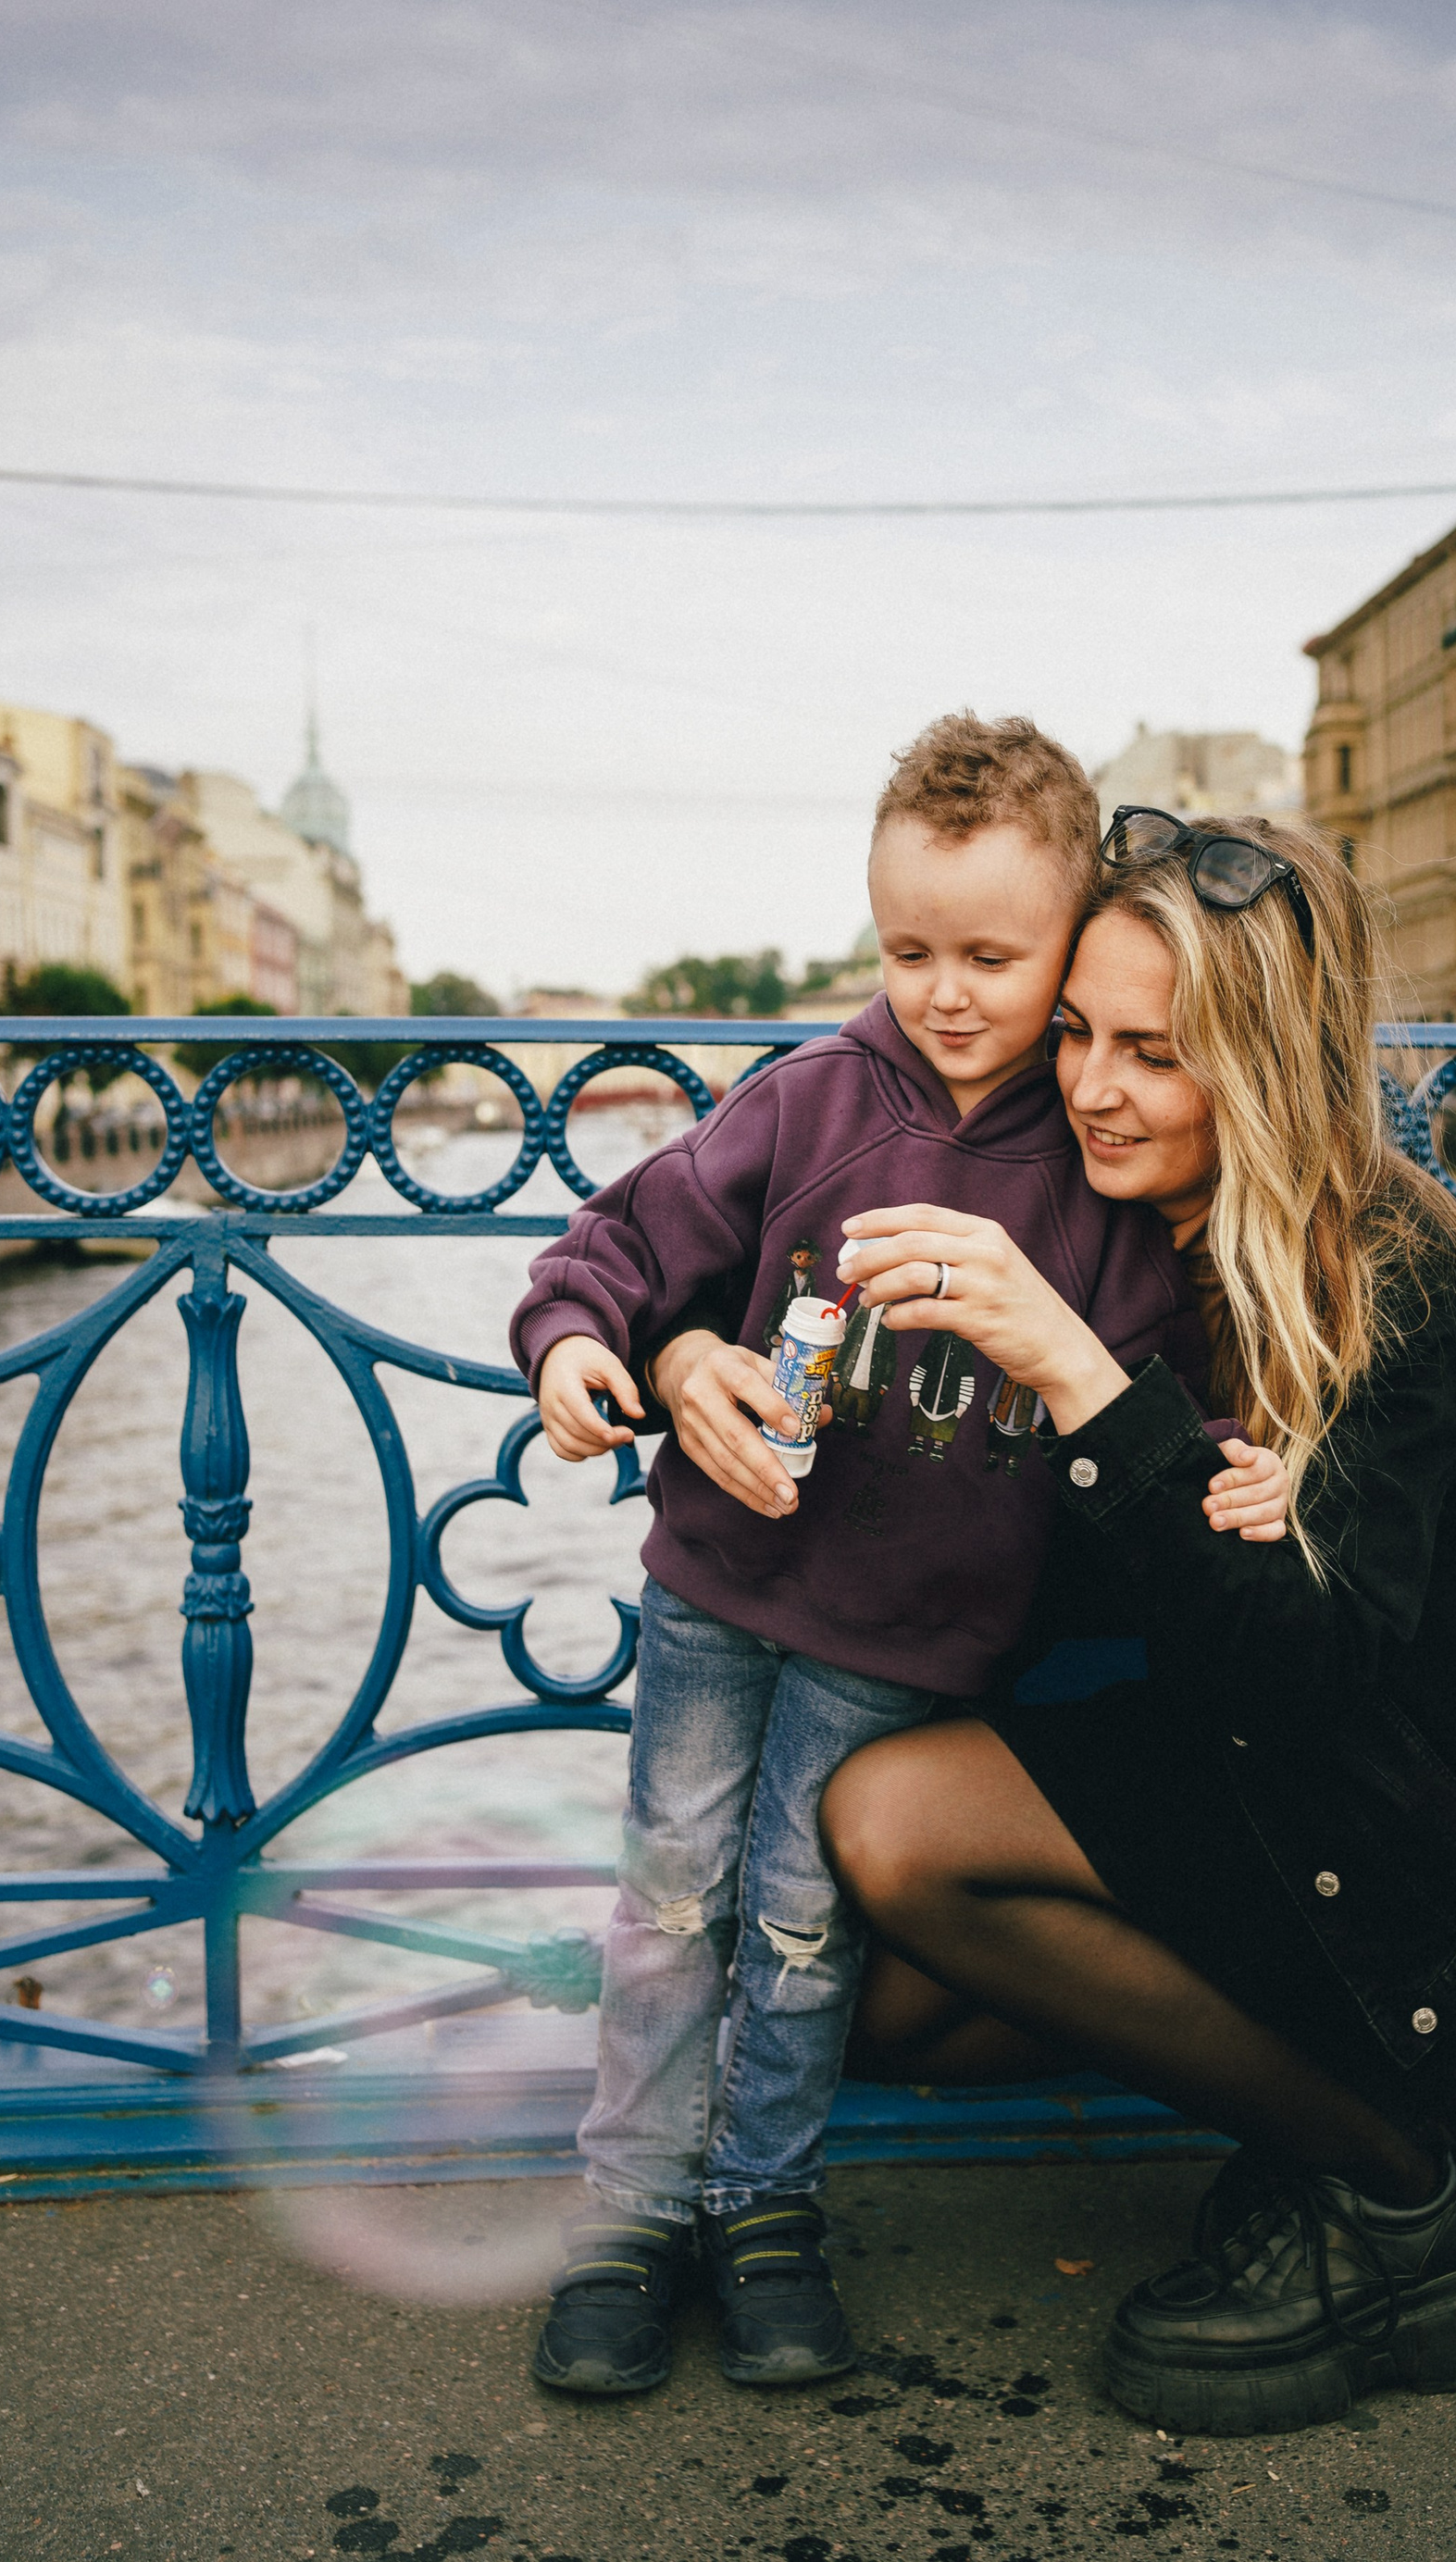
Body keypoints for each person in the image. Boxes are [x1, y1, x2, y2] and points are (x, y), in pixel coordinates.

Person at [819, 806, 1456, 2439]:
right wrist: (689, 1358)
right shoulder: (1107, 1213)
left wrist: (1084, 1382)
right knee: (885, 2009)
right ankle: (1408, 2055)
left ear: (1265, 1065)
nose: (1090, 1087)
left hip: (1454, 1777)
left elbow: (1306, 1669)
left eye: (1155, 1053)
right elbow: (809, 1164)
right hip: (1257, 1734)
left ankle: (1395, 2196)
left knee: (893, 1828)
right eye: (1077, 1031)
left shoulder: (1384, 1273)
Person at [509, 719, 1290, 2398]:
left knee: (803, 1924)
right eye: (908, 950)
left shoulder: (1099, 1167)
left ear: (1073, 938)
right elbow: (630, 1242)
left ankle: (763, 2209)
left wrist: (1249, 1469)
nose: (944, 993)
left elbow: (1160, 1399)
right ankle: (628, 2216)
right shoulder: (809, 1099)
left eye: (993, 959)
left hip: (914, 1632)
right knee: (669, 1901)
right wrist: (585, 1342)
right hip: (719, 1586)